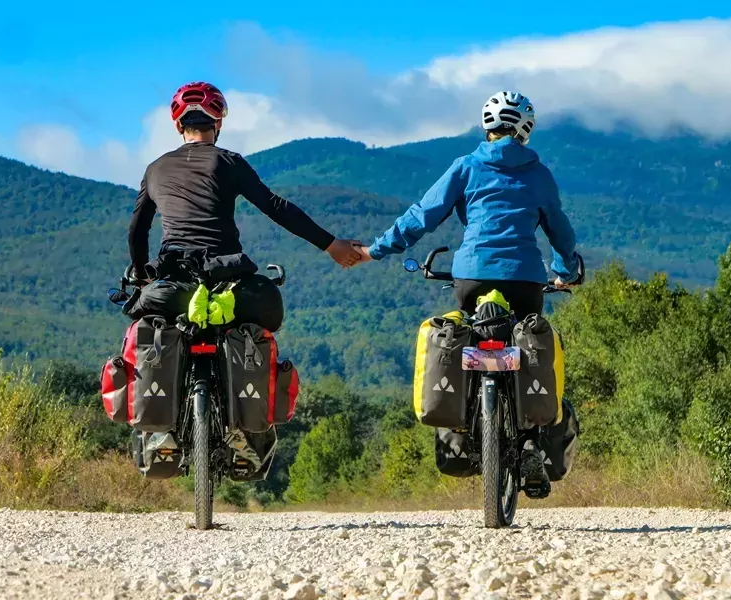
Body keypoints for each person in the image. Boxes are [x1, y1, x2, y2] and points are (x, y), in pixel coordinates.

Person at [354, 91, 584, 497]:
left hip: (471, 277)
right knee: (529, 342)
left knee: (467, 334)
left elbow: (421, 216)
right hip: (525, 281)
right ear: (525, 129)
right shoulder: (539, 174)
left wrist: (376, 249)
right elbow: (560, 232)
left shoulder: (466, 167)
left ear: (487, 126)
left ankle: (465, 421)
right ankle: (530, 442)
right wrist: (565, 271)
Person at [128, 81, 361, 284]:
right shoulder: (229, 162)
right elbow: (276, 207)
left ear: (179, 125)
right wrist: (332, 246)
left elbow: (138, 230)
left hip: (174, 271)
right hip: (224, 270)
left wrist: (141, 275)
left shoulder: (154, 169)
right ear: (218, 123)